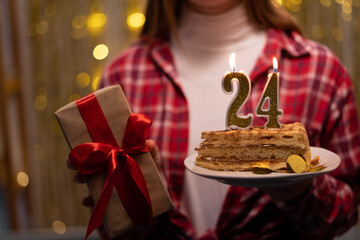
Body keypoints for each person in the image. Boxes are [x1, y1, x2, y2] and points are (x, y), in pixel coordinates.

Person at [74, 0, 360, 239]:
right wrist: (140, 193)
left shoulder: (321, 71)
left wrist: (299, 191)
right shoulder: (122, 78)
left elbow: (347, 214)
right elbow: (117, 231)